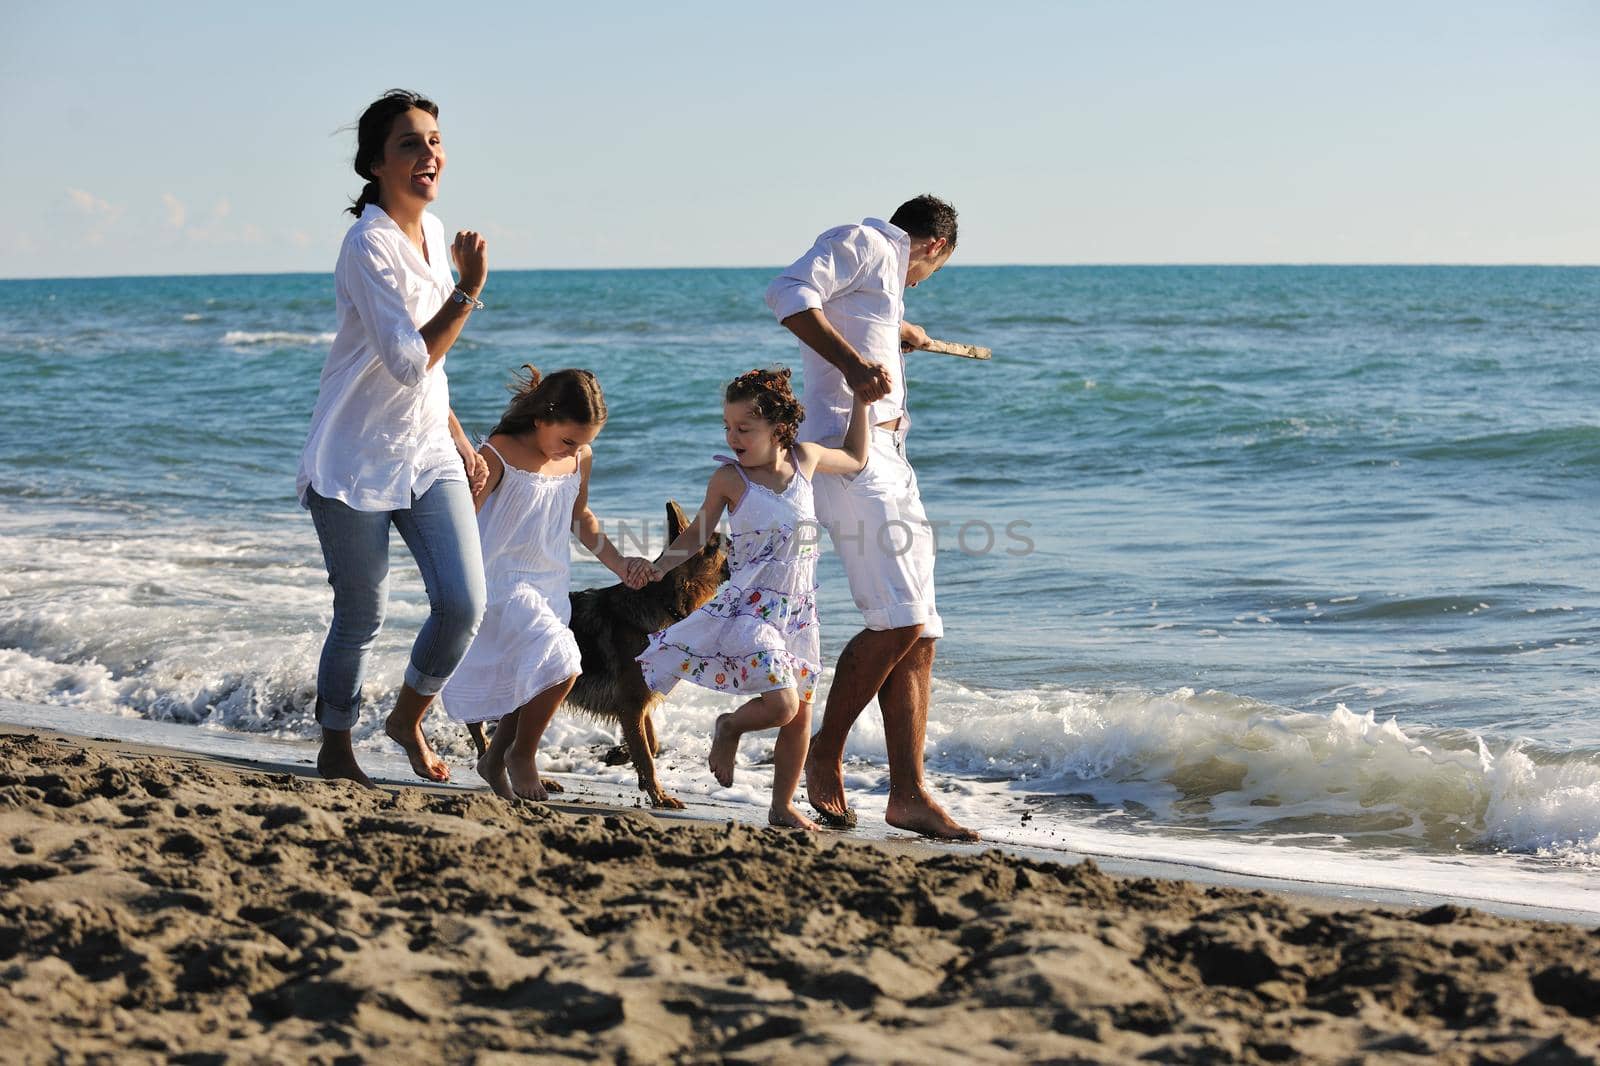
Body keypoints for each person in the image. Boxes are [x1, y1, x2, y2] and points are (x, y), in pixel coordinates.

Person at [764, 194, 978, 841]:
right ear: (935, 248)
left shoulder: (883, 278)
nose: (919, 283)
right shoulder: (864, 242)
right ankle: (825, 753)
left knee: (921, 631)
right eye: (928, 273)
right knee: (898, 619)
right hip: (849, 457)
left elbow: (862, 326)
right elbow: (787, 293)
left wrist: (894, 342)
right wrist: (856, 364)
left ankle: (908, 794)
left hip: (890, 452)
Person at [297, 90, 490, 788]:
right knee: (361, 613)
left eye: (435, 140)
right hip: (352, 457)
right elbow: (409, 360)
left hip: (426, 449)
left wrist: (462, 441)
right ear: (376, 164)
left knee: (465, 602)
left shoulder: (435, 234)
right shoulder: (367, 245)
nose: (429, 154)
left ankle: (408, 716)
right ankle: (336, 740)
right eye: (410, 143)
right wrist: (469, 291)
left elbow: (430, 379)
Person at [637, 368, 868, 830]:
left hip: (798, 613)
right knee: (781, 705)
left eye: (744, 428)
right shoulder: (730, 478)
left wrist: (862, 399)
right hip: (749, 608)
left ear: (778, 429)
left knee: (799, 715)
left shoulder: (806, 459)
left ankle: (782, 805)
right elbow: (699, 533)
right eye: (727, 426)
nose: (733, 436)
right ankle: (729, 727)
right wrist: (659, 567)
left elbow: (858, 457)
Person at [439, 366, 654, 801]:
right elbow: (459, 521)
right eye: (569, 439)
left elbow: (580, 517)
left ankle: (493, 759)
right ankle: (522, 755)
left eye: (584, 442)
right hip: (500, 583)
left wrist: (619, 563)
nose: (575, 449)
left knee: (535, 676)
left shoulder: (580, 457)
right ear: (541, 418)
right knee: (563, 663)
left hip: (550, 582)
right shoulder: (497, 452)